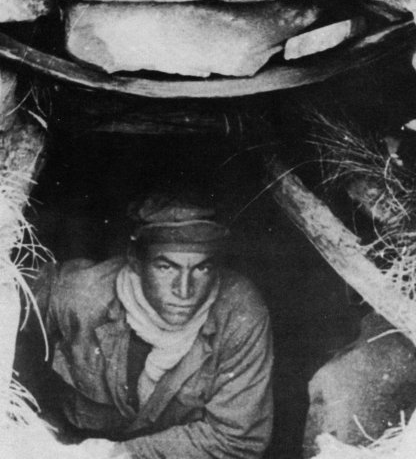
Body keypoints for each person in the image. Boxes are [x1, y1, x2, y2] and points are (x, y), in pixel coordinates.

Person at [18, 194, 273, 459]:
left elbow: (237, 438)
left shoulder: (238, 313)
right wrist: (31, 426)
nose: (184, 290)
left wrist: (121, 453)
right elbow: (8, 308)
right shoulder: (78, 293)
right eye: (166, 267)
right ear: (135, 261)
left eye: (201, 269)